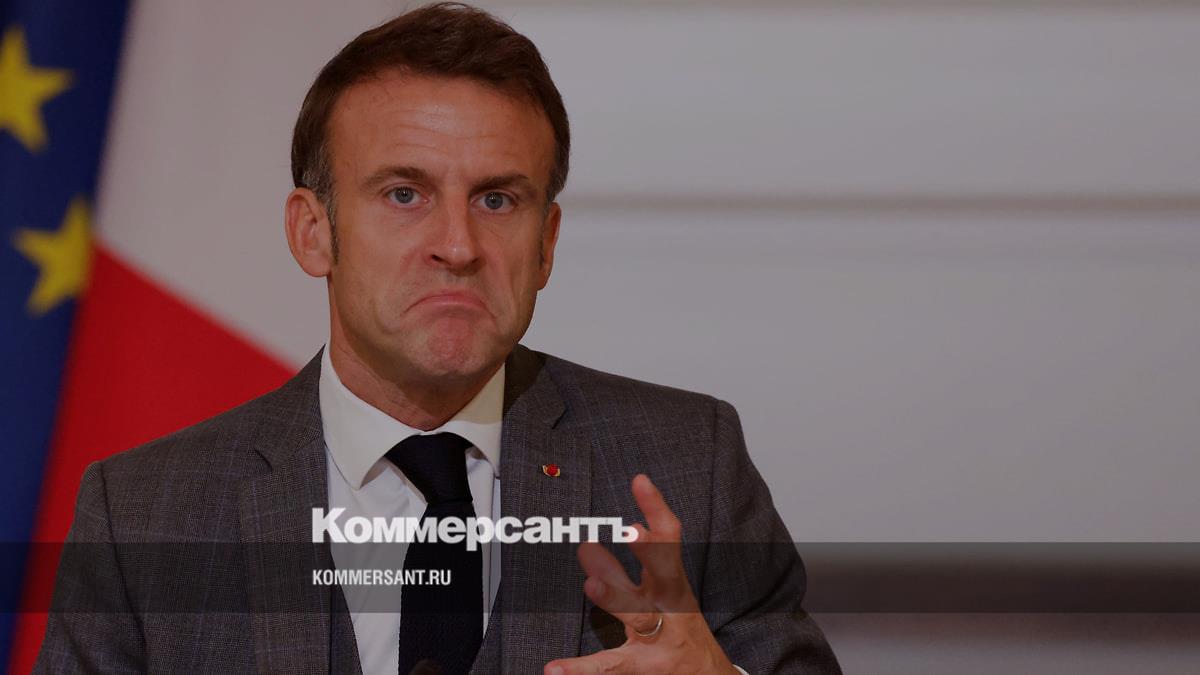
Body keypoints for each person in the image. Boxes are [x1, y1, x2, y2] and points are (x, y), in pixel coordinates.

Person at [36, 3, 840, 673]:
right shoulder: (144, 515)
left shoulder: (690, 465)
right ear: (313, 232)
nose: (457, 245)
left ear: (547, 243)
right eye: (404, 193)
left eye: (497, 200)